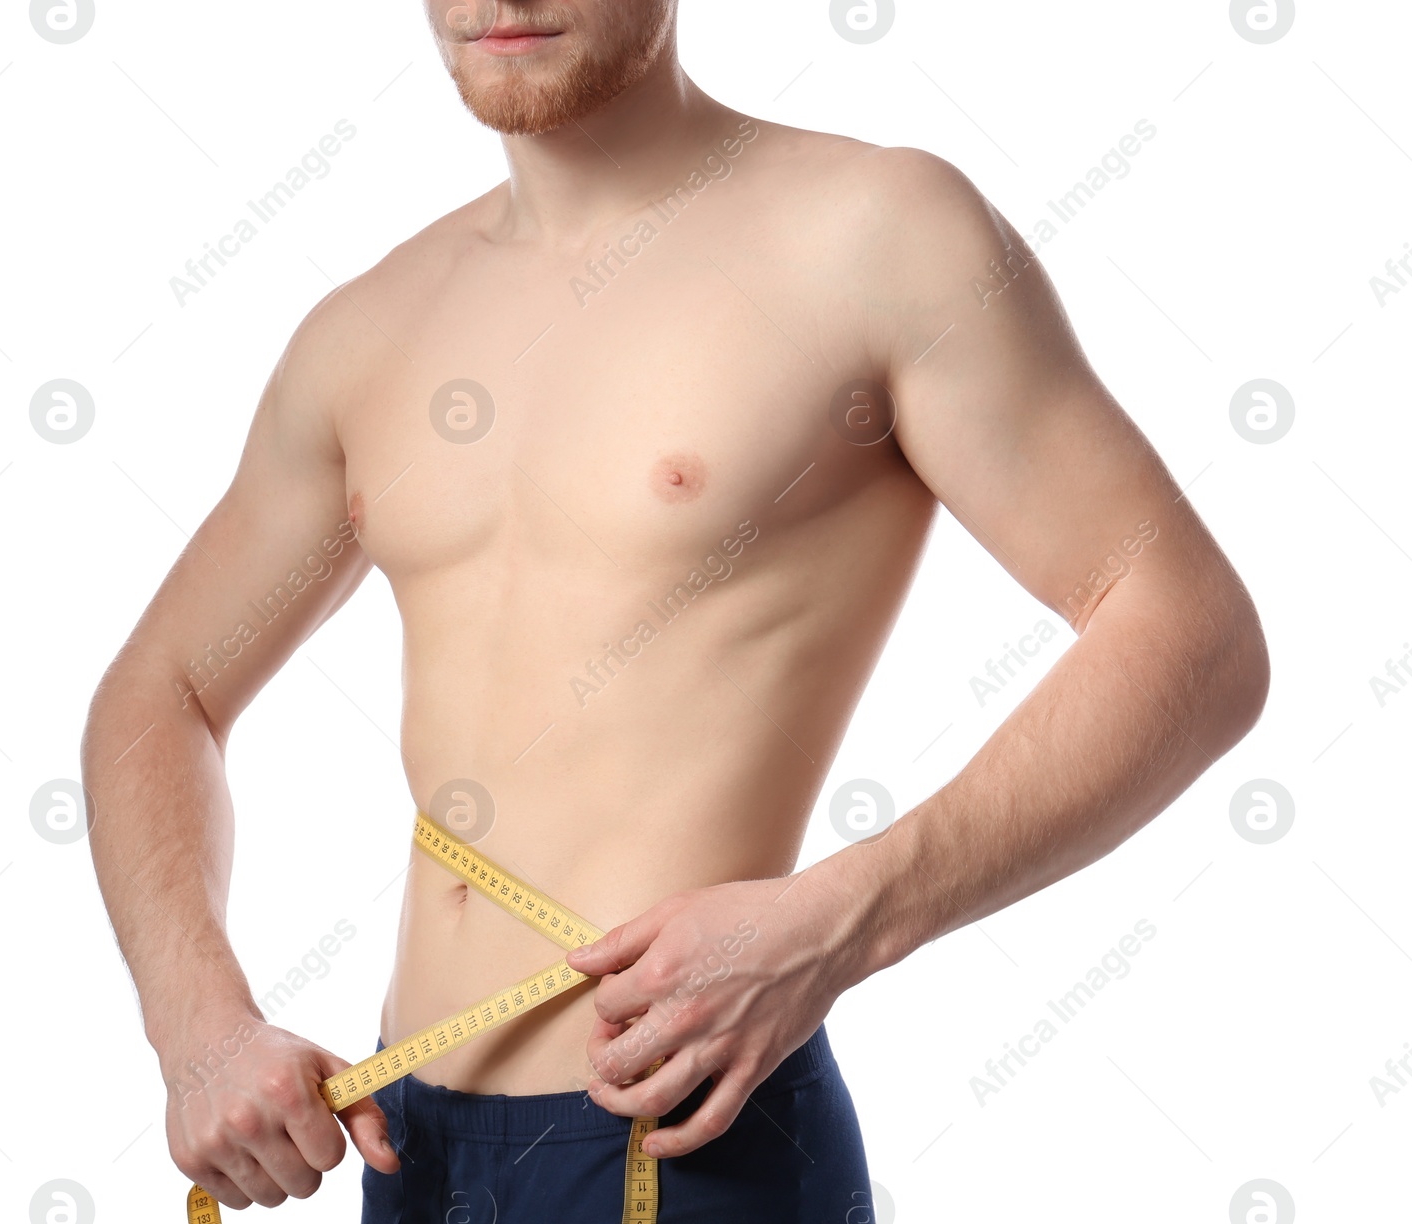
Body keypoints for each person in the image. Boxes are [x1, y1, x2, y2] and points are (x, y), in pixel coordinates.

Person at [81, 1, 1270, 1219]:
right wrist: (199, 1027)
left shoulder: (872, 235)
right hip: (407, 1151)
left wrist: (840, 919)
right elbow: (159, 691)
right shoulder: (365, 331)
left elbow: (1190, 629)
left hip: (685, 1129)